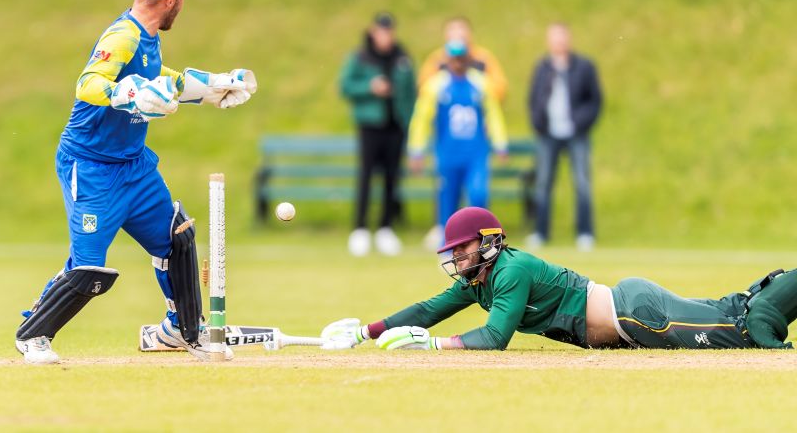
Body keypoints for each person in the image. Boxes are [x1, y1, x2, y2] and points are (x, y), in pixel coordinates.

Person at [14, 0, 258, 364]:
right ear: (171, 0)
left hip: (134, 166)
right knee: (88, 270)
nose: (184, 4)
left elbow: (161, 78)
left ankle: (180, 330)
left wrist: (211, 87)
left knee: (176, 239)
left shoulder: (147, 37)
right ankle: (33, 333)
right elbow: (88, 83)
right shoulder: (123, 36)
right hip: (91, 167)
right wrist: (126, 94)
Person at [321, 207, 797, 352]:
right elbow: (429, 309)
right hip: (628, 318)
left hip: (635, 313)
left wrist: (432, 345)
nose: (458, 257)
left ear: (487, 242)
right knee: (727, 310)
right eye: (454, 251)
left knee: (740, 331)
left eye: (463, 248)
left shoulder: (511, 271)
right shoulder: (481, 279)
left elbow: (494, 338)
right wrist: (366, 331)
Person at [408, 40, 508, 249]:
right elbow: (422, 118)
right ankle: (449, 249)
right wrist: (416, 150)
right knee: (448, 201)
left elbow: (493, 114)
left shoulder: (480, 83)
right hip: (448, 154)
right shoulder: (436, 85)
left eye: (461, 58)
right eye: (454, 59)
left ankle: (483, 247)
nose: (458, 63)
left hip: (475, 154)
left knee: (478, 195)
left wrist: (500, 143)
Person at [340, 12, 416, 257]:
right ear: (373, 32)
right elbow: (346, 86)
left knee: (392, 178)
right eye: (381, 31)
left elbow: (411, 92)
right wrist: (370, 87)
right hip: (370, 125)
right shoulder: (361, 56)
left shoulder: (402, 57)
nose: (385, 36)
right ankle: (360, 228)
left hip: (395, 125)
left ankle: (386, 227)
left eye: (389, 31)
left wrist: (409, 120)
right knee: (366, 176)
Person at [527, 23, 602, 252]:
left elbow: (595, 100)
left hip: (576, 133)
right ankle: (541, 232)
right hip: (548, 134)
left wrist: (580, 122)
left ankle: (585, 233)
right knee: (543, 183)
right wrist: (539, 122)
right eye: (554, 38)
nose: (559, 42)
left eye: (562, 37)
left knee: (582, 182)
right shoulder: (542, 67)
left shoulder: (584, 67)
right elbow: (533, 99)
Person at [418, 17, 508, 102]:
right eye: (453, 31)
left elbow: (500, 90)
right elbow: (423, 90)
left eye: (461, 32)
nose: (457, 34)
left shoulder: (483, 60)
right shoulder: (438, 61)